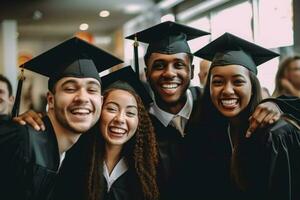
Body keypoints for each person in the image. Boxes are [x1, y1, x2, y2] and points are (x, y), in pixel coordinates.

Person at [125, 21, 296, 200]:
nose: (169, 73)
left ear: (191, 72)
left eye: (178, 65)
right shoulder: (138, 123)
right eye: (159, 65)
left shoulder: (212, 109)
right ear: (146, 72)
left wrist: (275, 103)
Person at [0, 37, 122, 200]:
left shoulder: (74, 154)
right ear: (51, 100)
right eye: (70, 88)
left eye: (92, 90)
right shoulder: (22, 141)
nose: (83, 98)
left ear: (100, 101)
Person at [187, 32, 300, 200]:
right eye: (217, 82)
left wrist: (277, 103)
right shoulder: (211, 130)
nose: (227, 90)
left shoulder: (275, 135)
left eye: (238, 81)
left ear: (253, 87)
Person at [50, 66, 159, 200]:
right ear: (98, 111)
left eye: (130, 113)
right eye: (112, 109)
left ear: (139, 121)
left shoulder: (148, 169)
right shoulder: (73, 159)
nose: (120, 119)